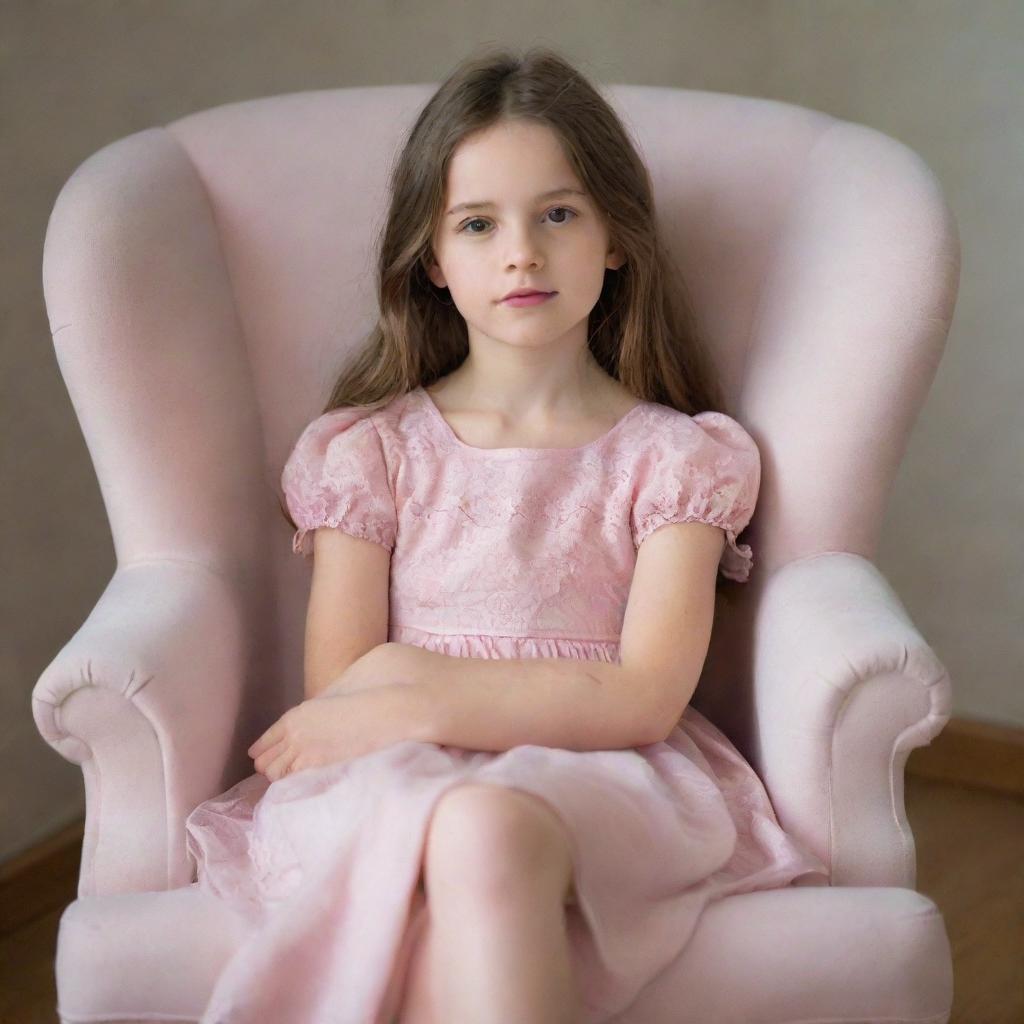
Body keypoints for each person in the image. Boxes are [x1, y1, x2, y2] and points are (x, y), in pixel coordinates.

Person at [184, 45, 829, 1024]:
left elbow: (645, 696)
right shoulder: (371, 451)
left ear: (615, 237)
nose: (521, 251)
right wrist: (397, 702)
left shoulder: (676, 459)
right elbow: (343, 688)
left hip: (603, 767)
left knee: (484, 828)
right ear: (431, 260)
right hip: (397, 769)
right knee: (463, 833)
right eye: (478, 224)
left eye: (557, 214)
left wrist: (425, 687)